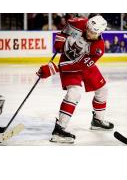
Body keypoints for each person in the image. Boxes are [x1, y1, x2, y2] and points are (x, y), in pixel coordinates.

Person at [37, 15, 114, 143]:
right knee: (74, 93)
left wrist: (53, 69)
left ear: (100, 33)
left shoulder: (98, 48)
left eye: (93, 32)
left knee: (103, 89)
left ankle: (97, 121)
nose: (89, 33)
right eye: (88, 29)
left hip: (80, 64)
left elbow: (79, 65)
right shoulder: (78, 23)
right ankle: (59, 130)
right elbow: (65, 30)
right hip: (67, 60)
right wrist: (61, 39)